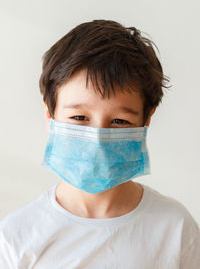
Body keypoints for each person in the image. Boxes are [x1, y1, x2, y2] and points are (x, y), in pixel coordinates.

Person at [0, 19, 200, 268]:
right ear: (50, 114)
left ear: (146, 119)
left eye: (119, 120)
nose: (97, 138)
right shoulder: (15, 237)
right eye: (79, 118)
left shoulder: (175, 229)